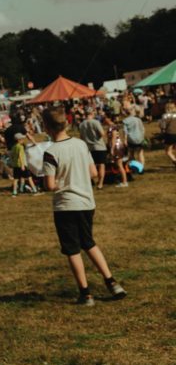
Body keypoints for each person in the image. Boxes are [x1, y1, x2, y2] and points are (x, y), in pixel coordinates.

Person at [41, 107, 127, 306]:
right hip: (86, 203)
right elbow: (94, 173)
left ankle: (86, 293)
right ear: (66, 123)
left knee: (72, 249)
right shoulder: (80, 145)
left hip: (66, 205)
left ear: (46, 127)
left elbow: (50, 185)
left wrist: (63, 182)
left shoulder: (50, 152)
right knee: (88, 242)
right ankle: (112, 282)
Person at [79, 108, 108, 190]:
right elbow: (102, 134)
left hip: (88, 147)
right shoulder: (95, 122)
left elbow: (81, 137)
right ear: (92, 113)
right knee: (101, 165)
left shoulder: (81, 124)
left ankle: (90, 181)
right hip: (99, 146)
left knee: (91, 166)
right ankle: (100, 183)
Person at [104, 115, 128, 188]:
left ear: (109, 119)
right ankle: (123, 180)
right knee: (118, 164)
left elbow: (114, 138)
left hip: (116, 146)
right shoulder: (110, 127)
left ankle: (124, 181)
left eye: (105, 118)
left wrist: (112, 148)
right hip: (116, 146)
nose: (104, 120)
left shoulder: (112, 127)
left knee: (119, 164)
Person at [159, 102, 176, 168]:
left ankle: (174, 160)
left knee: (168, 151)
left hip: (170, 134)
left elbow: (163, 126)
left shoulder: (165, 116)